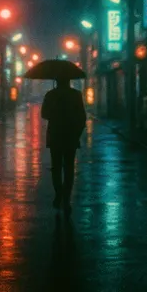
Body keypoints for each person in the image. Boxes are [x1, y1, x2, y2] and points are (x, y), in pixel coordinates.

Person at [41, 78, 87, 213]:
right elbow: (82, 117)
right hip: (70, 135)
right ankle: (66, 200)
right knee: (68, 168)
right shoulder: (76, 94)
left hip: (55, 135)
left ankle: (58, 194)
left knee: (56, 167)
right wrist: (77, 133)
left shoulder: (50, 95)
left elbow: (44, 114)